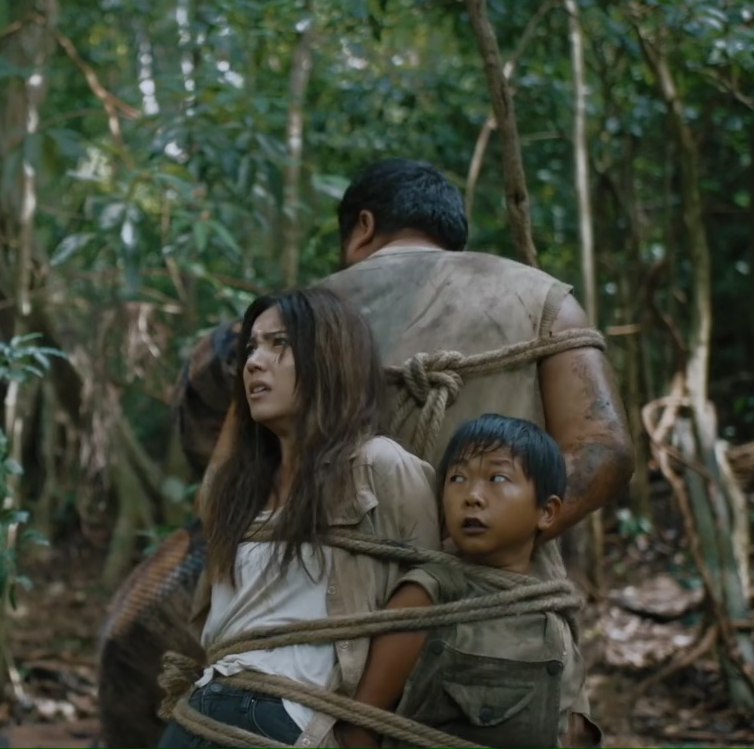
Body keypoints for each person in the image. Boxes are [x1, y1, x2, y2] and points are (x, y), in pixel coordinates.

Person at [122, 157, 629, 746]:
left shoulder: (305, 318)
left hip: (319, 668)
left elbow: (222, 485)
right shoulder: (542, 300)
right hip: (500, 640)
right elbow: (605, 453)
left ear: (363, 227)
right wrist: (477, 548)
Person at [159, 286, 440, 748]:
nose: (254, 362)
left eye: (280, 344)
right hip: (202, 706)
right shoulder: (240, 487)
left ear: (329, 359)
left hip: (286, 717)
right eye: (251, 348)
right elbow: (209, 492)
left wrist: (360, 727)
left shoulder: (376, 464)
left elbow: (427, 589)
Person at [336, 414, 582, 749]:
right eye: (457, 478)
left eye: (497, 478)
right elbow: (359, 725)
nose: (472, 496)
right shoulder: (431, 592)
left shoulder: (553, 607)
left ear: (547, 512)